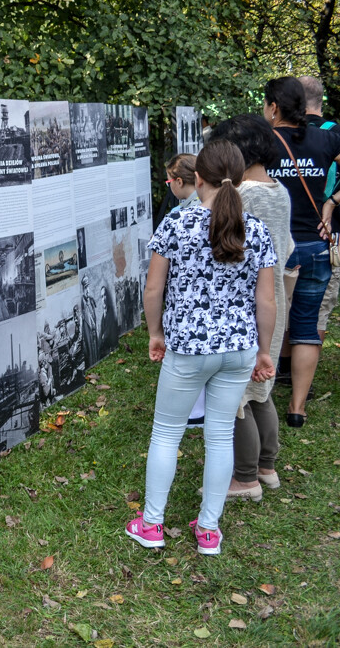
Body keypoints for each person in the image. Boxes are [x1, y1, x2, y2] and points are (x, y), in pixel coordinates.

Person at [126, 139, 277, 556]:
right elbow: (266, 300)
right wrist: (264, 351)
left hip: (189, 348)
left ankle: (152, 524)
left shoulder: (176, 224)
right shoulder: (256, 229)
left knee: (166, 433)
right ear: (241, 177)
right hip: (240, 348)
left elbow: (153, 287)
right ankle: (208, 530)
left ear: (197, 178)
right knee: (219, 437)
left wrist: (155, 333)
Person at [210, 114, 295, 500]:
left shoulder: (243, 197)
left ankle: (244, 478)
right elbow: (287, 249)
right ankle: (267, 467)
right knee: (261, 387)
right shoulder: (278, 190)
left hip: (244, 308)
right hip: (274, 303)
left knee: (237, 396)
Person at [263, 76, 340, 427]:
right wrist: (333, 202)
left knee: (265, 317)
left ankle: (259, 395)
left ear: (274, 107)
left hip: (272, 249)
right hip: (313, 245)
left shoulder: (260, 142)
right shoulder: (325, 138)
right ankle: (297, 408)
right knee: (307, 325)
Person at [299, 76, 340, 352]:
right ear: (321, 99)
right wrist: (332, 201)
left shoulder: (281, 134)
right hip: (330, 233)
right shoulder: (334, 134)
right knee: (319, 305)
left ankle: (281, 367)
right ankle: (304, 376)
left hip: (289, 231)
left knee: (285, 300)